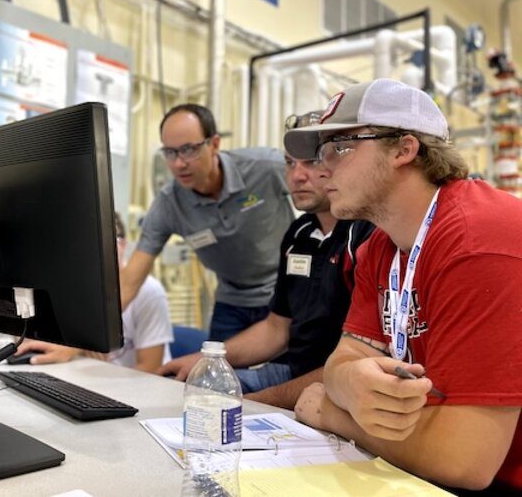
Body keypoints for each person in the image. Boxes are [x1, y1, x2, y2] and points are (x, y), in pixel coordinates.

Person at [286, 78, 522, 494]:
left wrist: (333, 412)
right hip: (427, 465)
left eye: (339, 148)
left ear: (404, 149)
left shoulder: (479, 240)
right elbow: (342, 362)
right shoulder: (381, 244)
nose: (322, 169)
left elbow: (464, 459)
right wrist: (351, 382)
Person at [158, 113, 373, 408]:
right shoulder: (298, 234)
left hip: (335, 382)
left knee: (223, 407)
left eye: (311, 161)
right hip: (291, 371)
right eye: (289, 163)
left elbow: (360, 364)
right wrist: (207, 358)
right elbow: (276, 329)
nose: (297, 176)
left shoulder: (366, 235)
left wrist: (254, 403)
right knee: (188, 389)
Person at [120, 103, 295, 341]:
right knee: (213, 374)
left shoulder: (266, 167)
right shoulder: (169, 204)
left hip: (286, 293)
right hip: (231, 300)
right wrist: (81, 341)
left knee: (290, 374)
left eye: (188, 149)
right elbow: (130, 281)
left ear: (214, 144)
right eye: (170, 152)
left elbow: (321, 193)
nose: (178, 163)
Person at [15, 212, 173, 373]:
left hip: (133, 386)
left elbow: (151, 369)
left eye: (107, 242)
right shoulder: (76, 290)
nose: (97, 253)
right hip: (91, 381)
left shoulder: (148, 291)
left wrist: (79, 348)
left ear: (123, 245)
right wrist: (80, 348)